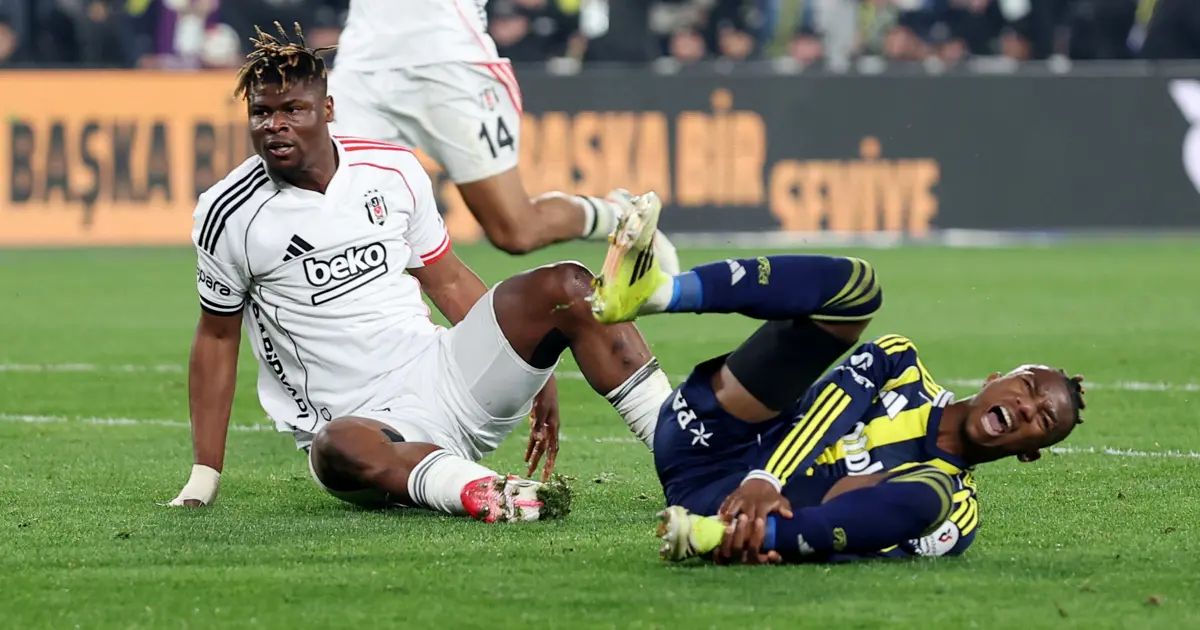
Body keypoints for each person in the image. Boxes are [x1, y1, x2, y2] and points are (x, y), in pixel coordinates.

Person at [166, 23, 676, 523]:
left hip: (447, 375)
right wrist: (204, 473)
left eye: (291, 110)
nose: (274, 126)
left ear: (326, 110)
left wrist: (537, 378)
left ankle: (688, 458)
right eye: (261, 113)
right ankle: (483, 491)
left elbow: (448, 281)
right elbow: (216, 336)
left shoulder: (393, 169)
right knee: (334, 446)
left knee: (567, 287)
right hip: (360, 426)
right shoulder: (229, 212)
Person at [590, 202, 1087, 564]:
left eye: (1043, 419)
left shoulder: (956, 512)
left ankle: (723, 537)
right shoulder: (902, 363)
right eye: (1026, 389)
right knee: (858, 288)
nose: (1026, 409)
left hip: (726, 517)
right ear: (996, 380)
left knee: (933, 492)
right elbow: (833, 407)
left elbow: (864, 544)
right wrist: (765, 478)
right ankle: (659, 292)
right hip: (711, 436)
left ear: (1031, 451)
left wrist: (775, 544)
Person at [324, 0, 680, 269]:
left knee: (515, 231)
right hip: (361, 64)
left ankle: (617, 215)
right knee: (335, 215)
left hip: (451, 61)